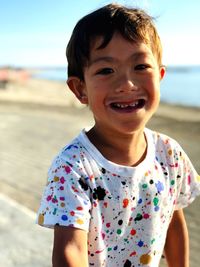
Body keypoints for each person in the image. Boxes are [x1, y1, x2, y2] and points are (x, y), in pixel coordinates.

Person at [37, 3, 200, 267]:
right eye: (106, 70)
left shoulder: (169, 154)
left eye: (140, 67)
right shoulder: (72, 167)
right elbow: (70, 249)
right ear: (80, 89)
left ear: (160, 76)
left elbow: (173, 222)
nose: (126, 84)